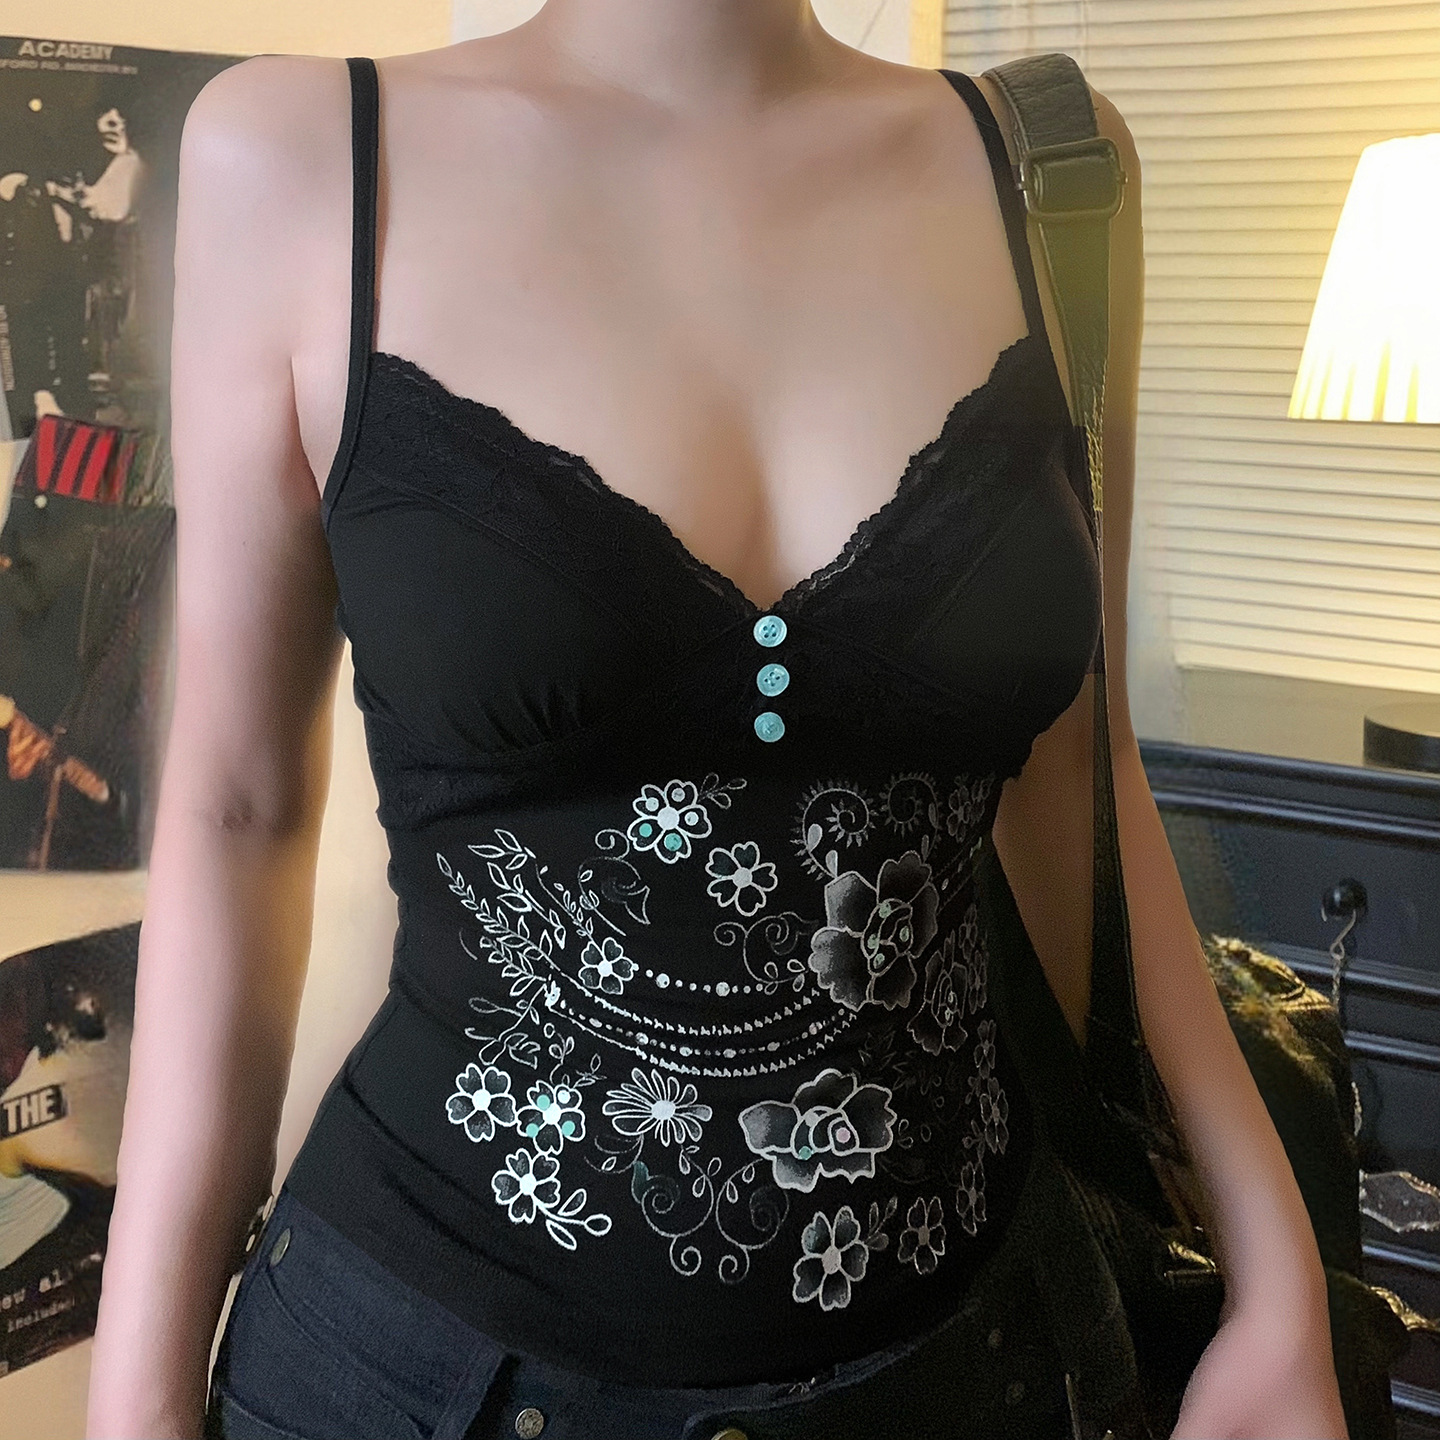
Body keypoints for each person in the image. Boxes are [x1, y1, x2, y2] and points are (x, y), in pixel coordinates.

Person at [86, 5, 1350, 1439]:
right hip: (424, 1374)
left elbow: (1084, 770)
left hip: (986, 1362)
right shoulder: (299, 156)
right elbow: (236, 808)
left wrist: (1278, 1277)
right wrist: (134, 1397)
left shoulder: (1051, 176)